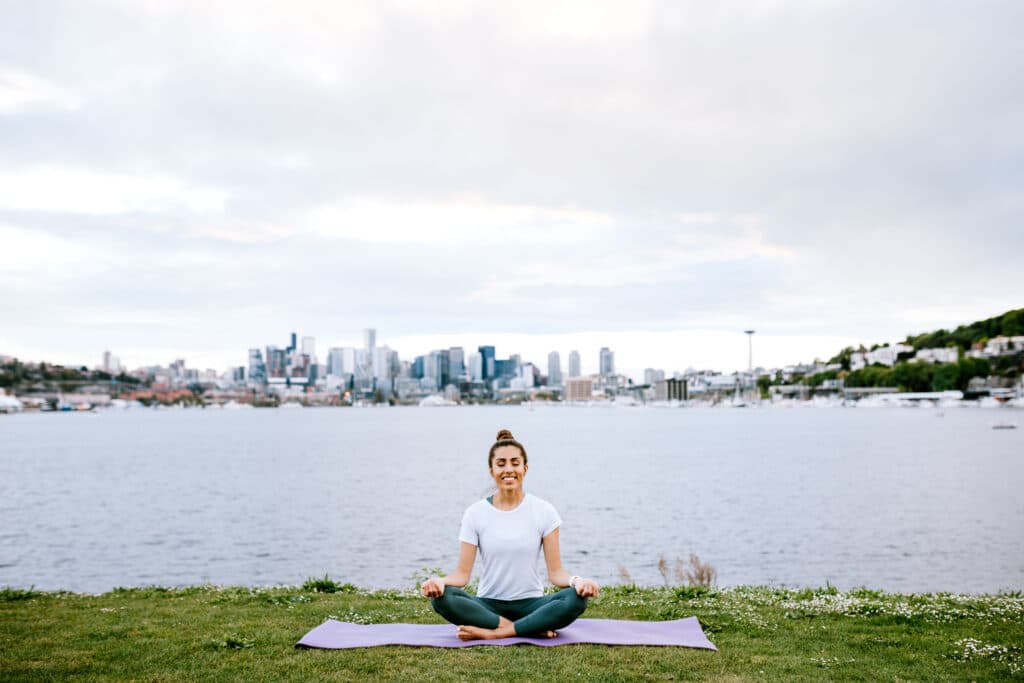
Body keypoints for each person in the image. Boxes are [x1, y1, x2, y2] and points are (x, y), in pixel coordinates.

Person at [420, 429, 600, 640]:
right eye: (501, 463)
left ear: (525, 468)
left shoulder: (544, 511)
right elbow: (461, 575)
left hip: (532, 604)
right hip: (488, 607)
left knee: (575, 599)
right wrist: (439, 581)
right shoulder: (475, 513)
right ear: (491, 470)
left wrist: (578, 582)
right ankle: (529, 629)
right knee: (443, 598)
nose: (508, 469)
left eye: (515, 463)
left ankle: (495, 634)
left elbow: (556, 573)